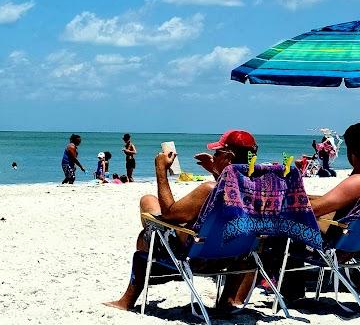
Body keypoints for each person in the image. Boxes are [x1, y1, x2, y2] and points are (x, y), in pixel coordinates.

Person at [104, 130, 258, 312]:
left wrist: (161, 170)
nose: (213, 156)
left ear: (229, 157)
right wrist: (217, 171)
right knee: (150, 203)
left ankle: (126, 302)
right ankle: (227, 300)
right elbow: (227, 201)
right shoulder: (258, 188)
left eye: (217, 153)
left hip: (198, 257)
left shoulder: (209, 189)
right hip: (235, 257)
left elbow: (169, 213)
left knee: (147, 224)